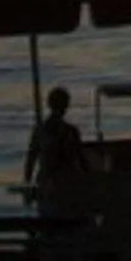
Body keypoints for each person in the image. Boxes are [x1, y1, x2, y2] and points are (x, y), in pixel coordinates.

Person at [23, 85, 89, 219]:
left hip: (46, 183)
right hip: (65, 183)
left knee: (48, 219)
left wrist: (28, 185)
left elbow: (31, 159)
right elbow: (80, 161)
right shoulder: (70, 132)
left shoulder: (41, 130)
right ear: (67, 105)